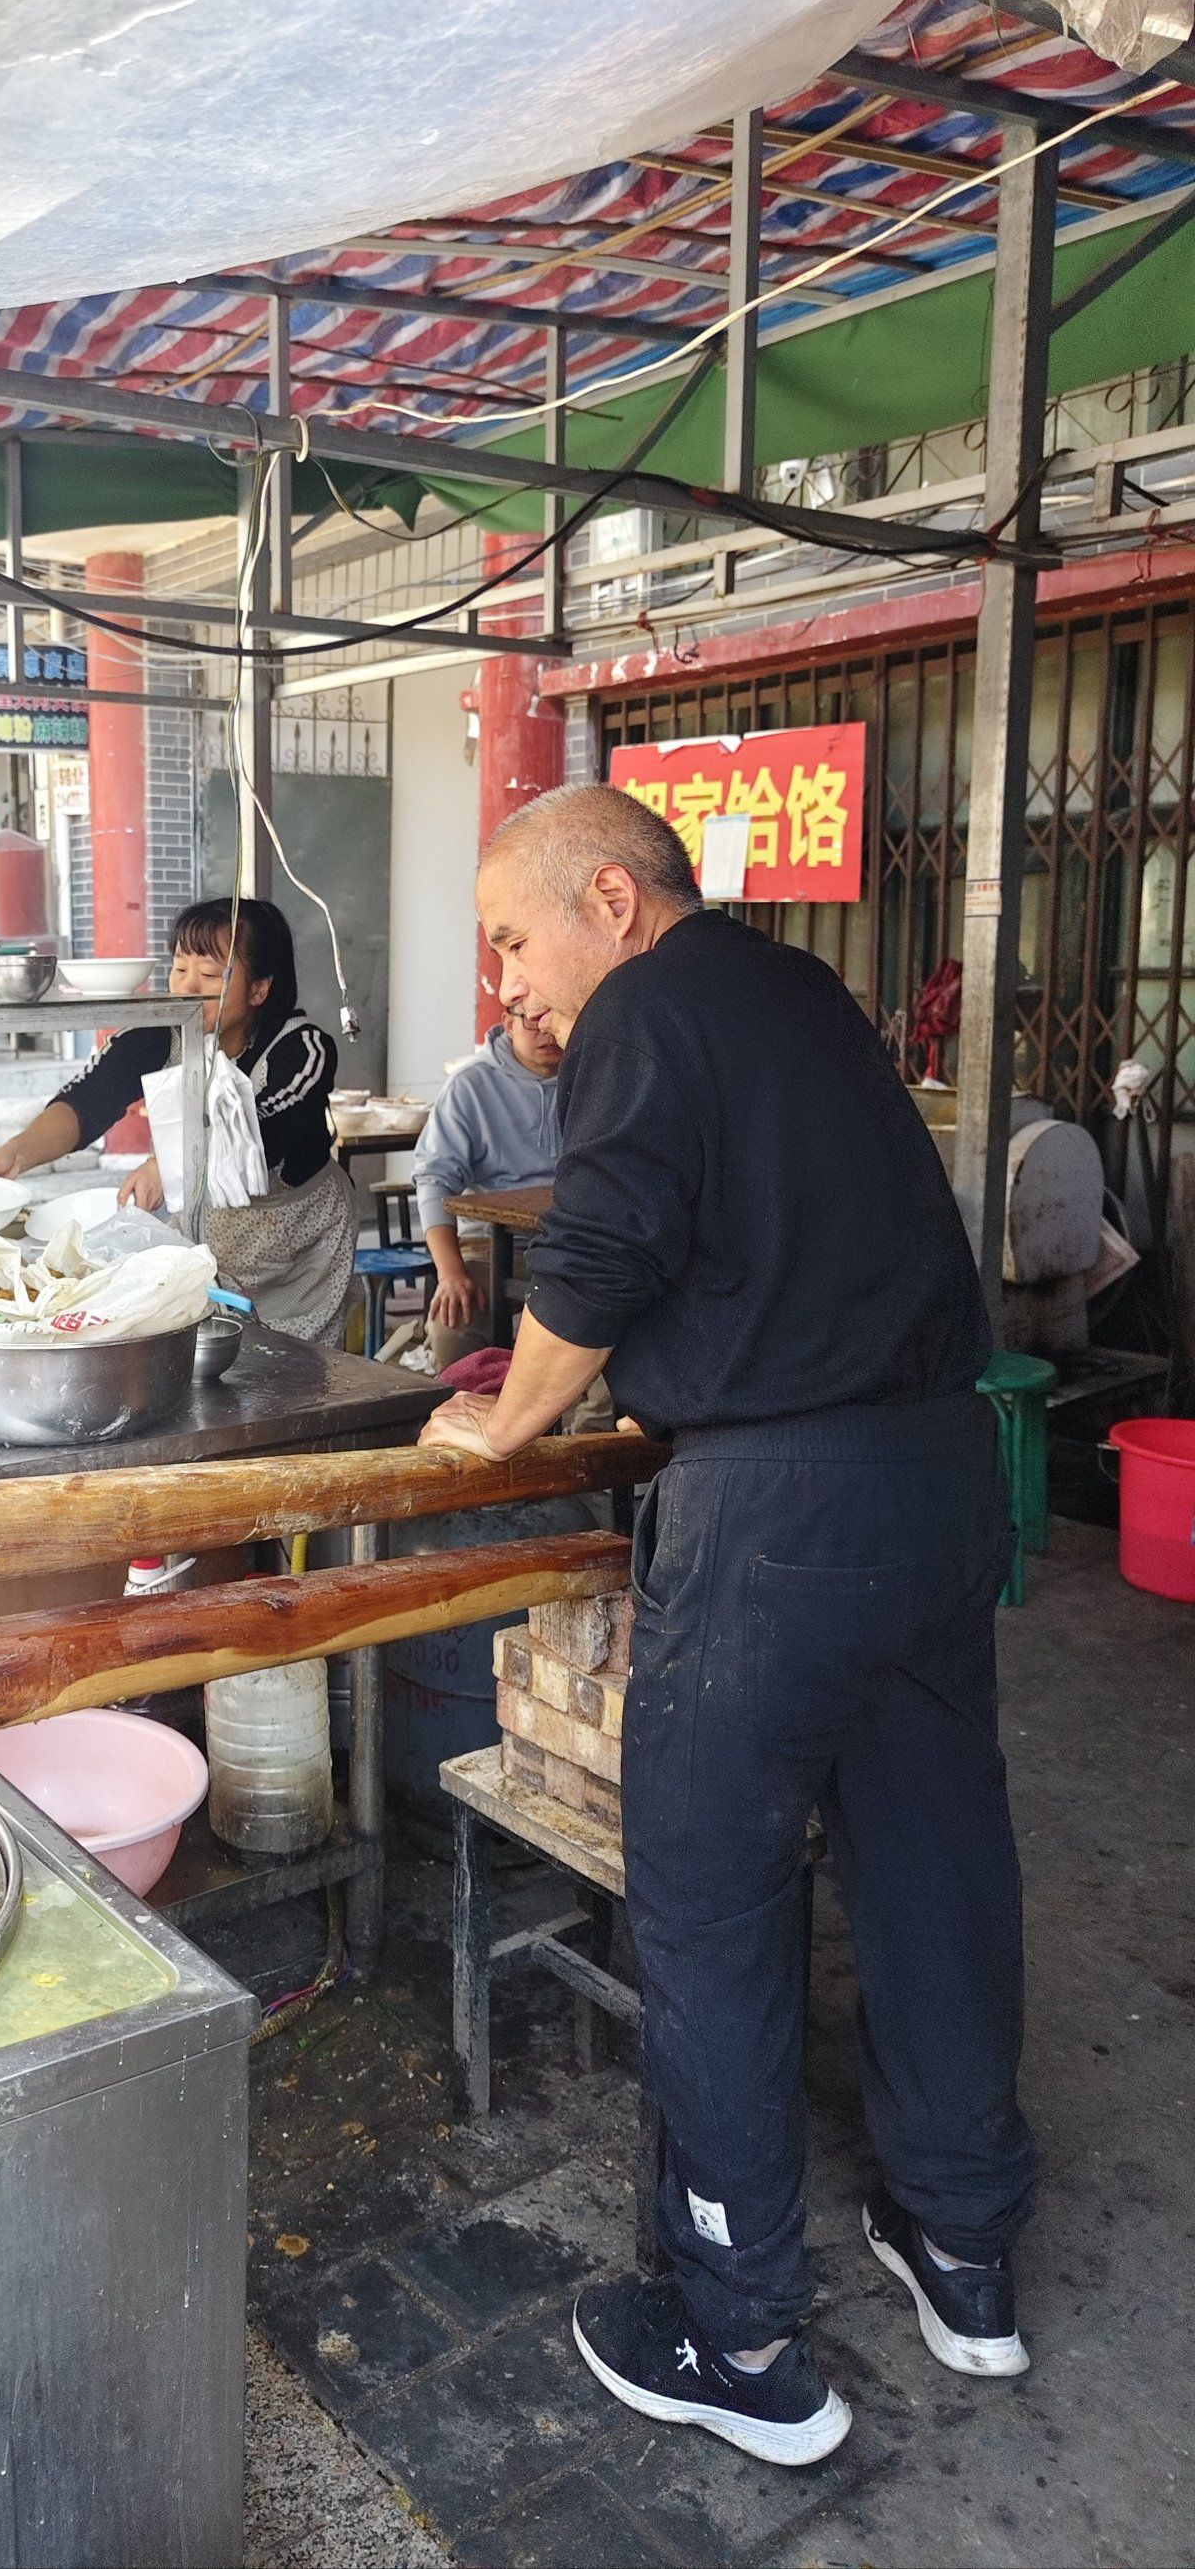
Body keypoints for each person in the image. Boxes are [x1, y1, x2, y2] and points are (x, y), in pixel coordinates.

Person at [421, 784, 1033, 2468]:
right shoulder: (798, 992)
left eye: (512, 937)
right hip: (937, 1481)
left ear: (611, 902)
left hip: (776, 1518)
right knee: (933, 1863)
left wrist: (503, 1421)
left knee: (708, 1901)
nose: (507, 982)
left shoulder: (646, 1006)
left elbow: (605, 1249)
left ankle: (737, 2328)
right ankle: (964, 2246)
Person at [0, 897, 355, 1341]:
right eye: (179, 968)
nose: (187, 987)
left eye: (209, 974)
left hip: (302, 1255)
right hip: (215, 1240)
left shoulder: (302, 1049)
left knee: (297, 1369)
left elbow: (266, 1130)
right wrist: (16, 1152)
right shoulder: (158, 1034)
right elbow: (87, 1101)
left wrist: (165, 1165)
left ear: (259, 989)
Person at [411, 1005, 562, 1369]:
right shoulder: (470, 1086)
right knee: (453, 1326)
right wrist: (450, 1274)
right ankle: (471, 1404)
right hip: (489, 1248)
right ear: (508, 1024)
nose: (545, 1030)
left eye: (555, 1015)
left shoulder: (598, 1076)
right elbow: (434, 1179)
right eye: (532, 1019)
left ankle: (581, 1413)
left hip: (576, 1247)